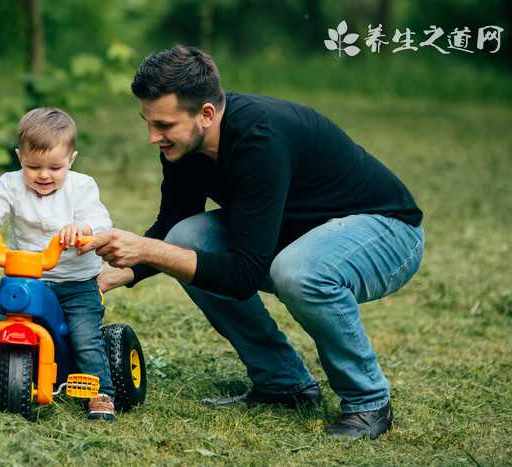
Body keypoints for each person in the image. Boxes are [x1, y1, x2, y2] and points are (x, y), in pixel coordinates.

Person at [79, 45, 425, 438]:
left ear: (206, 114)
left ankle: (369, 403)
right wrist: (108, 275)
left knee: (298, 271)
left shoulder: (260, 139)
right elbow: (172, 225)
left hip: (387, 231)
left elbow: (244, 274)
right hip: (297, 234)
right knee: (186, 236)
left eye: (163, 125)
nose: (152, 136)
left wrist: (147, 251)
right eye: (148, 122)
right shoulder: (184, 147)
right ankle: (283, 383)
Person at [0, 107, 117, 421]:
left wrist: (83, 229)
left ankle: (102, 394)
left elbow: (99, 218)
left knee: (84, 338)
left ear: (71, 159)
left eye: (55, 167)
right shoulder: (11, 185)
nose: (44, 175)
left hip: (75, 284)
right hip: (28, 281)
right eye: (33, 166)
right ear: (19, 157)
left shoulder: (81, 187)